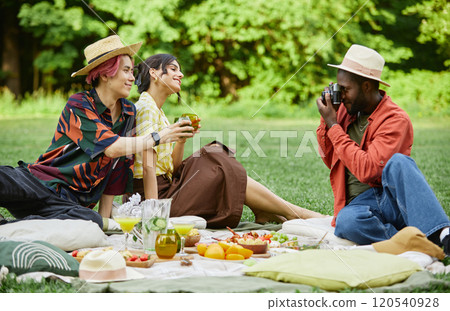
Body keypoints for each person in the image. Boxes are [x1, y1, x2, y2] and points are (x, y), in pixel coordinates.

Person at [0, 36, 190, 229]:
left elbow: (116, 170)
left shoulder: (128, 112)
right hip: (41, 183)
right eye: (126, 71)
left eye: (132, 71)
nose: (133, 78)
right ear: (106, 74)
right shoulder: (79, 104)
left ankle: (8, 227)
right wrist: (159, 136)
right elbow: (112, 148)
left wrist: (103, 220)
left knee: (92, 222)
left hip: (71, 204)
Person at [130, 53, 325, 228]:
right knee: (216, 163)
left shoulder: (157, 111)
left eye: (180, 70)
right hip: (154, 198)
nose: (180, 74)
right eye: (173, 69)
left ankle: (273, 211)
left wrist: (180, 141)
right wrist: (153, 216)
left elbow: (172, 168)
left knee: (213, 153)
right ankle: (296, 213)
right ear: (154, 74)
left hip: (164, 187)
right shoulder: (146, 108)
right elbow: (148, 167)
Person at [316, 44, 450, 254]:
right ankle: (414, 242)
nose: (342, 95)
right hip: (361, 206)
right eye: (338, 88)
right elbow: (330, 158)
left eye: (346, 89)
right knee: (346, 222)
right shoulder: (344, 112)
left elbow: (368, 170)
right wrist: (327, 121)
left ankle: (441, 233)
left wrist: (334, 127)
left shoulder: (395, 119)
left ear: (367, 86)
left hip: (391, 198)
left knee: (399, 162)